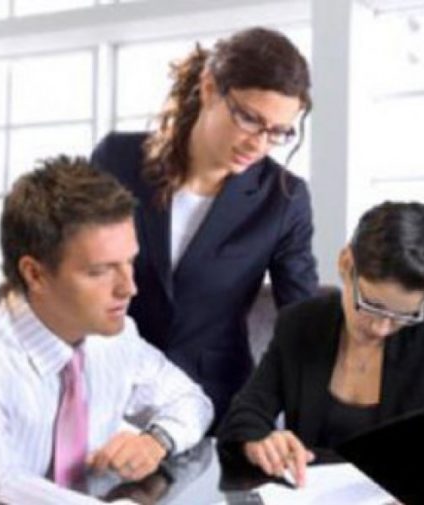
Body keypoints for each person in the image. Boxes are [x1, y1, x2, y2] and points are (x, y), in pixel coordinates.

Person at [90, 27, 319, 424]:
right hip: (105, 390)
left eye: (278, 132)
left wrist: (282, 421)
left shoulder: (284, 199)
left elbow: (300, 323)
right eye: (250, 119)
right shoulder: (117, 159)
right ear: (210, 88)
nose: (258, 144)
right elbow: (69, 270)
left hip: (213, 403)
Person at [0, 156, 213, 503]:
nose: (129, 288)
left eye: (129, 262)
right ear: (35, 274)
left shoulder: (116, 336)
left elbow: (191, 400)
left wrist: (156, 440)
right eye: (100, 271)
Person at [217, 202, 424, 486]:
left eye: (404, 315)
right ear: (346, 264)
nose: (382, 328)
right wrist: (259, 442)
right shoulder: (301, 324)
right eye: (371, 305)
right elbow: (246, 413)